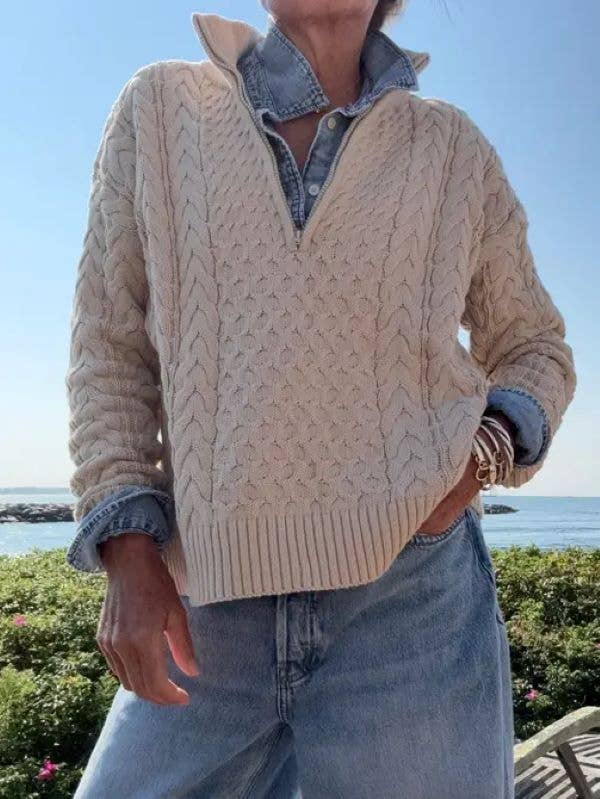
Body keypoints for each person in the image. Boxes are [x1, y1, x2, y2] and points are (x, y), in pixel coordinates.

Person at [65, 2, 576, 797]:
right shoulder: (159, 110)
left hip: (412, 606)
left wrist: (475, 464)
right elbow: (107, 343)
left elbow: (535, 346)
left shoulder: (453, 150)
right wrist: (127, 549)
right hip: (203, 611)